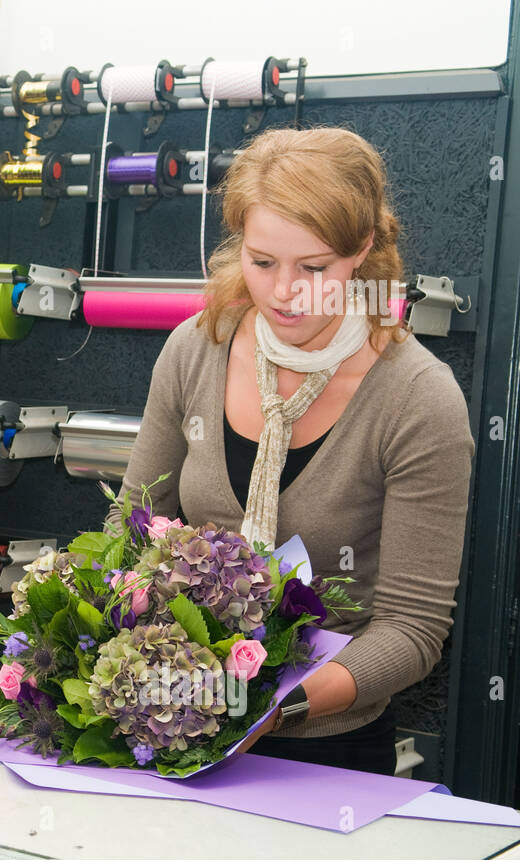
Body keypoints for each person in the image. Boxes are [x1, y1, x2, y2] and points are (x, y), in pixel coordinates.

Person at [109, 125, 475, 776]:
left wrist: (275, 706)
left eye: (313, 268)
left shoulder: (419, 399)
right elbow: (129, 530)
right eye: (262, 261)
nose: (284, 293)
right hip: (171, 720)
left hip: (328, 753)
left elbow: (414, 630)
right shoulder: (196, 350)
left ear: (362, 249)